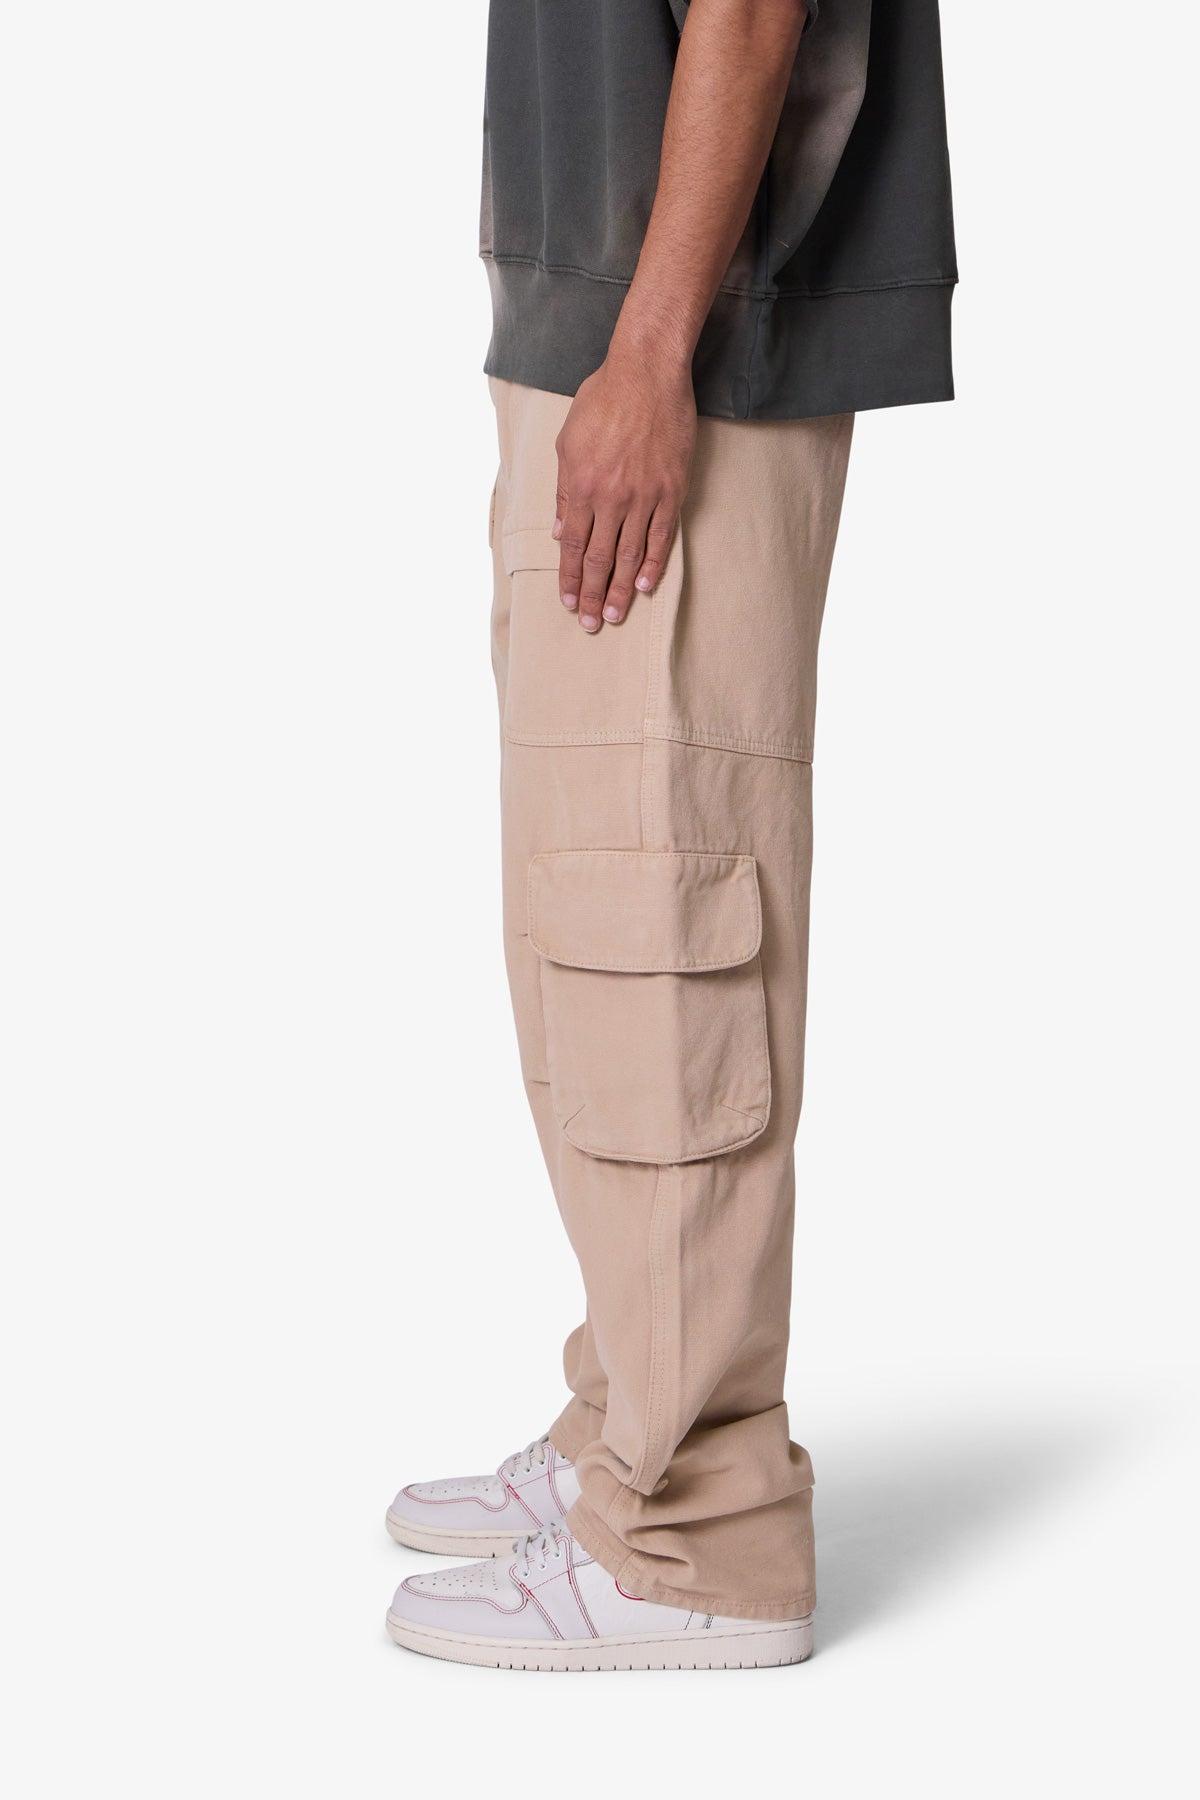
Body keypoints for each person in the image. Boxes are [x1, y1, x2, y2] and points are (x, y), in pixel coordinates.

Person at [385, 0, 956, 1671]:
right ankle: (625, 1428)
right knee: (587, 927)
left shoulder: (663, 354)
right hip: (609, 328)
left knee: (661, 930)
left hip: (688, 348)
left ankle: (696, 1531)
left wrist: (648, 356)